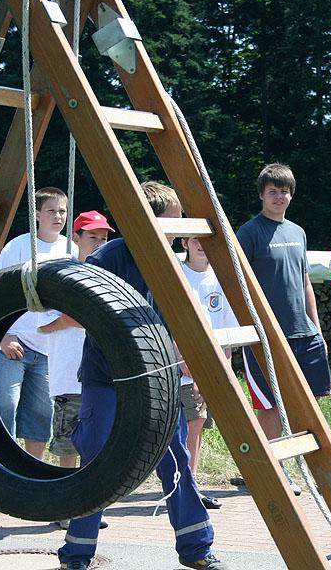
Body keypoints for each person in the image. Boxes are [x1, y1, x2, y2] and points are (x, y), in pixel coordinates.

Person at [58, 182, 229, 570]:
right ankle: (77, 555)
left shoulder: (170, 260)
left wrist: (199, 361)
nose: (180, 228)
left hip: (160, 377)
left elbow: (187, 314)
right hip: (107, 378)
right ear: (147, 222)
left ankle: (196, 549)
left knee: (176, 459)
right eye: (173, 220)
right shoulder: (109, 258)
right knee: (96, 461)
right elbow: (78, 310)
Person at [0, 187, 78, 517]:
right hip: (15, 343)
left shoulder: (71, 250)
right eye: (52, 210)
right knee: (2, 412)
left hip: (49, 347)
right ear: (36, 214)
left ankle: (29, 480)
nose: (59, 216)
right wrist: (4, 336)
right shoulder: (18, 247)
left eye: (63, 211)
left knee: (39, 419)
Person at [236, 163, 331, 444]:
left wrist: (317, 329)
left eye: (284, 191)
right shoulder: (250, 232)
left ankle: (308, 463)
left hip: (304, 332)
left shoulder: (297, 232)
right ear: (261, 196)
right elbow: (239, 283)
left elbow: (304, 283)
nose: (279, 197)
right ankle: (271, 471)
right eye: (272, 191)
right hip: (267, 335)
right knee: (270, 405)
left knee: (310, 402)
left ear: (291, 195)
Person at [40, 210, 113, 531]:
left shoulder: (109, 274)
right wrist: (67, 319)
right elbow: (67, 317)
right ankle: (66, 505)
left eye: (103, 237)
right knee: (68, 445)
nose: (98, 243)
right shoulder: (63, 273)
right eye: (92, 236)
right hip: (69, 372)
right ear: (77, 238)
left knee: (97, 444)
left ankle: (91, 505)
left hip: (99, 375)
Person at [179, 235, 238, 510]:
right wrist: (187, 366)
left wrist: (223, 371)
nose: (201, 244)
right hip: (182, 367)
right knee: (191, 425)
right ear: (184, 243)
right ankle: (185, 488)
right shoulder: (176, 273)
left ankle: (190, 484)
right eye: (195, 240)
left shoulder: (220, 279)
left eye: (206, 240)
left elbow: (227, 331)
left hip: (212, 367)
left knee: (198, 426)